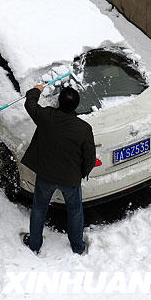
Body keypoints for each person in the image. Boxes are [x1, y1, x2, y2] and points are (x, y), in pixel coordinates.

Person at [20, 84, 96, 255]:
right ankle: (77, 246)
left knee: (39, 208)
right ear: (76, 105)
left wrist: (37, 90)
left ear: (58, 102)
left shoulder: (46, 116)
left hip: (46, 175)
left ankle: (34, 244)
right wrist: (81, 173)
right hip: (70, 180)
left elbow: (29, 104)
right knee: (75, 211)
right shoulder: (83, 129)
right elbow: (90, 157)